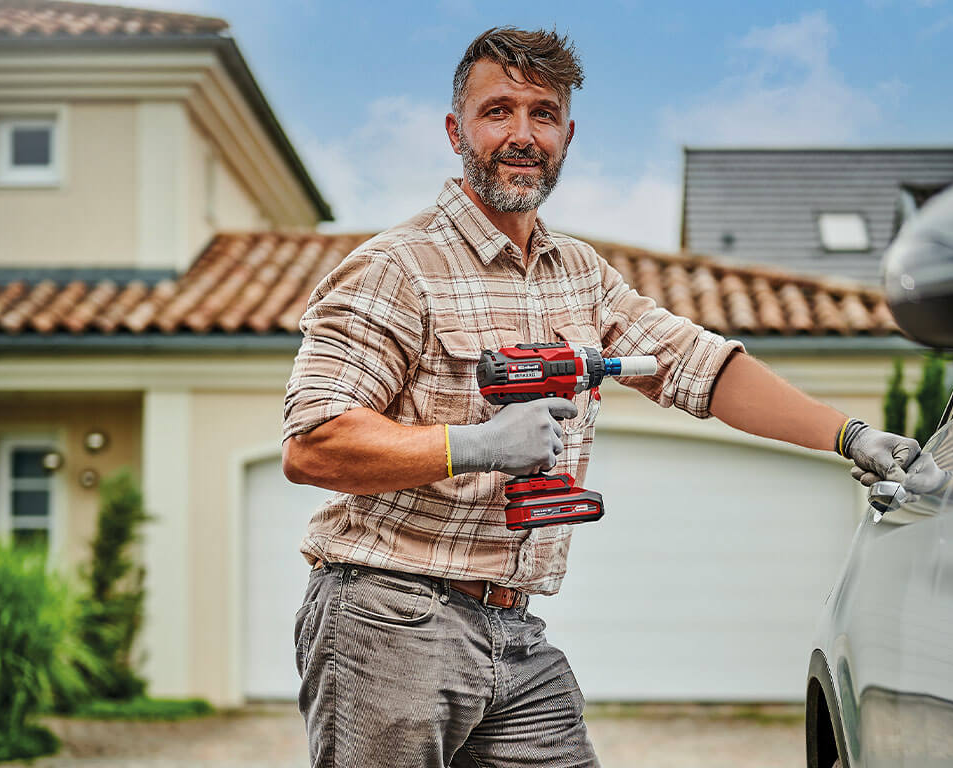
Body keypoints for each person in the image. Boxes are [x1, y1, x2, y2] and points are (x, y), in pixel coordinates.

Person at [282, 27, 920, 768]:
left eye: (543, 114)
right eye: (498, 112)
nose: (522, 135)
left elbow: (697, 366)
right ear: (456, 130)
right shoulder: (398, 267)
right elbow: (314, 443)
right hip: (388, 618)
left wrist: (850, 435)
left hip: (513, 627)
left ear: (568, 134)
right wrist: (476, 445)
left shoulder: (576, 272)